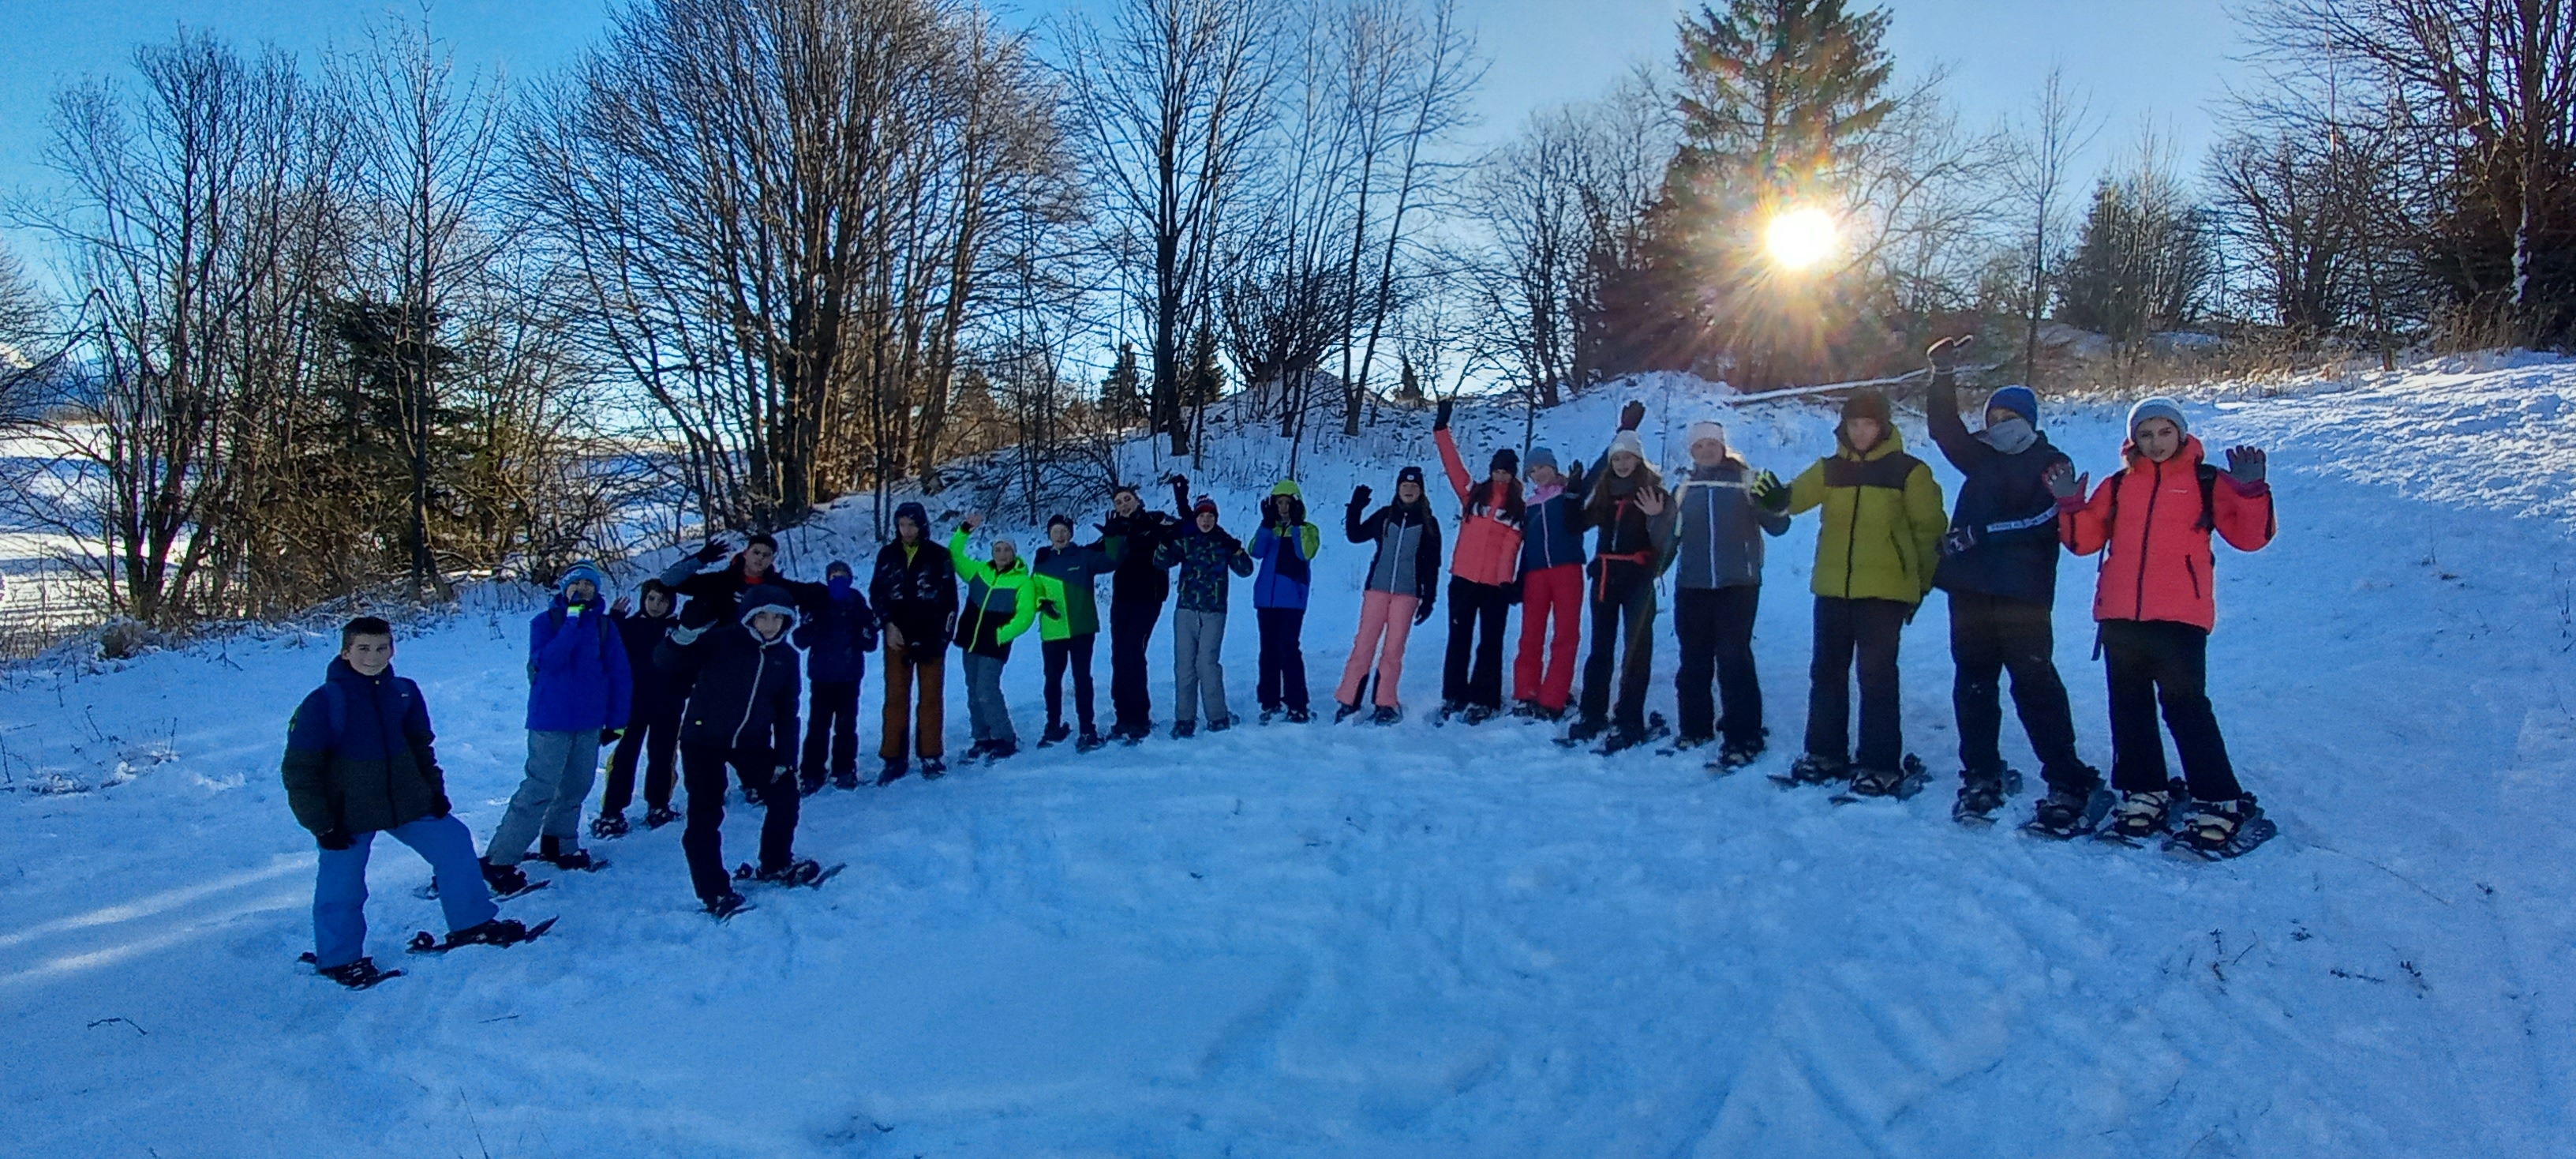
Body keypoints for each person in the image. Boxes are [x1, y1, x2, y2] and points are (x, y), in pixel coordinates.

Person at [2050, 398, 2277, 851]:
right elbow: (2083, 542)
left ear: (2181, 434)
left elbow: (2250, 539)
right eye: (2146, 434)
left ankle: (2219, 798)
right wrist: (2071, 506)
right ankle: (2144, 791)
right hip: (2121, 616)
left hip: (2179, 616)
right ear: (2134, 439)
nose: (2156, 443)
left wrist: (2252, 494)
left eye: (2165, 432)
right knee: (2128, 706)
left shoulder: (2206, 481)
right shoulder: (2119, 485)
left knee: (2185, 707)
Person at [285, 617, 532, 988]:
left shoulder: (404, 692)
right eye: (363, 649)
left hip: (407, 802)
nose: (373, 657)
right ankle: (339, 959)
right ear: (345, 652)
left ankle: (472, 924)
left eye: (382, 648)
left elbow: (421, 747)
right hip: (347, 815)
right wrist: (321, 823)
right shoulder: (323, 703)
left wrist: (434, 792)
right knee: (342, 885)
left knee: (454, 843)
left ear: (393, 649)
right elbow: (300, 769)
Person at [1919, 336, 2095, 823]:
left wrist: (1981, 533)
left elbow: (2045, 521)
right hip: (1971, 591)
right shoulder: (1981, 457)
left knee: (2034, 683)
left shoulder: (2052, 462)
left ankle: (2067, 777)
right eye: (1994, 417)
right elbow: (1943, 429)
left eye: (2010, 417)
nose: (2000, 425)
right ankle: (1981, 773)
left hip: (2023, 595)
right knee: (1974, 683)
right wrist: (1942, 375)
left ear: (2029, 420)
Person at [1765, 389, 1946, 794]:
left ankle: (1879, 765)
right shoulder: (1830, 469)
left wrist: (1919, 586)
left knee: (1876, 678)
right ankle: (1824, 754)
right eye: (1854, 424)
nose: (1861, 431)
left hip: (1884, 593)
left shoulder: (1909, 472)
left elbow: (1930, 532)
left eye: (1869, 424)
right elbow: (1794, 498)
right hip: (1832, 590)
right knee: (1826, 673)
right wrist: (1776, 498)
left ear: (1883, 427)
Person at [657, 586, 819, 917]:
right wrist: (683, 635)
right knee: (705, 813)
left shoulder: (786, 657)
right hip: (702, 740)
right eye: (763, 617)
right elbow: (667, 661)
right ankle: (714, 891)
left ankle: (775, 863)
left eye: (778, 618)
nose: (770, 624)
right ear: (749, 617)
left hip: (751, 742)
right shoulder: (722, 641)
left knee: (784, 793)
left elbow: (787, 710)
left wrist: (785, 758)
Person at [486, 561, 629, 876]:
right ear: (565, 588)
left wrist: (617, 721)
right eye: (577, 584)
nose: (583, 589)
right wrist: (572, 620)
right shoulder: (544, 623)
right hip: (551, 722)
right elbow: (550, 661)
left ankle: (560, 845)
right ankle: (501, 858)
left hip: (589, 722)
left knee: (576, 787)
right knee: (539, 789)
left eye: (589, 584)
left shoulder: (605, 627)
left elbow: (619, 675)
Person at [1664, 419, 1790, 769]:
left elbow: (1779, 526)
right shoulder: (1684, 488)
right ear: (1691, 451)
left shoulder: (1746, 481)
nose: (1706, 451)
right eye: (1699, 446)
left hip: (1738, 584)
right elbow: (1668, 539)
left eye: (1711, 444)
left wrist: (1776, 504)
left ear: (1723, 447)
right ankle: (1695, 728)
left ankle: (1744, 734)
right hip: (1692, 584)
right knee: (1693, 659)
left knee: (1734, 658)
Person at [1567, 403, 1675, 752]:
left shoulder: (1654, 493)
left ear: (1639, 460)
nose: (1622, 464)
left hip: (1637, 580)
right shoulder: (1606, 494)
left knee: (1636, 651)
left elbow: (1669, 541)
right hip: (1604, 578)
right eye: (1617, 459)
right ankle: (1592, 714)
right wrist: (1572, 493)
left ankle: (1629, 719)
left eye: (1628, 457)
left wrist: (1657, 517)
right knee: (1600, 649)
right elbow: (1574, 525)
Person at [1431, 398, 1526, 724]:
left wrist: (1509, 582)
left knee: (1490, 643)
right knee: (1459, 638)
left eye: (1506, 472)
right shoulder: (1473, 495)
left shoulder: (1519, 508)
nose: (1501, 476)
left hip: (1495, 587)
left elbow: (1512, 549)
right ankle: (1454, 695)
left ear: (1513, 475)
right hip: (1463, 579)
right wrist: (1441, 430)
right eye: (1497, 470)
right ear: (1491, 470)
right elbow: (1453, 465)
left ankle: (1485, 698)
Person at [1335, 466, 1443, 724]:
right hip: (1377, 590)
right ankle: (1349, 701)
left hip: (1407, 594)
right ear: (1398, 488)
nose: (1409, 490)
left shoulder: (1429, 523)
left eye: (1414, 486)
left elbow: (1432, 565)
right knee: (1364, 645)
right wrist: (1355, 508)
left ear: (1421, 491)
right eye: (1405, 486)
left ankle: (1385, 703)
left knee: (1393, 650)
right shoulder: (1385, 516)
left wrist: (1429, 599)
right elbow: (1355, 535)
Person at [1098, 479, 1192, 744]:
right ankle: (1123, 716)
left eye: (1127, 499)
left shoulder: (1156, 520)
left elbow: (1188, 528)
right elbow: (1095, 555)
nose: (1124, 505)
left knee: (1133, 652)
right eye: (1118, 502)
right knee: (1119, 655)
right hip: (1122, 598)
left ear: (1137, 501)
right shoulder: (1116, 527)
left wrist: (1182, 502)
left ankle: (1139, 718)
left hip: (1149, 597)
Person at [871, 502, 958, 783]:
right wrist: (887, 624)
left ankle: (931, 754)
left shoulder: (938, 555)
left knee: (931, 697)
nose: (907, 530)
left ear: (922, 525)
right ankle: (894, 757)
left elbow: (950, 600)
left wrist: (943, 636)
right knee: (896, 696)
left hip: (931, 635)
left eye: (911, 525)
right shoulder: (887, 555)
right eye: (902, 525)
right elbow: (877, 593)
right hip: (897, 635)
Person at [1155, 496, 1256, 736]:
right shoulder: (1187, 541)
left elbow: (1246, 570)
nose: (1206, 520)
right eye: (1202, 516)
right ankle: (1184, 719)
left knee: (1207, 664)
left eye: (1211, 516)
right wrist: (1165, 542)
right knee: (1184, 666)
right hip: (1186, 611)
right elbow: (1160, 562)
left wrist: (1238, 550)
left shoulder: (1224, 541)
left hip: (1214, 612)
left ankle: (1218, 717)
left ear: (1216, 518)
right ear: (1196, 518)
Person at [596, 580, 690, 837]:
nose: (656, 605)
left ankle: (659, 805)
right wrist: (615, 619)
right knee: (624, 757)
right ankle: (612, 811)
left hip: (667, 707)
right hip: (632, 707)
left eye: (663, 600)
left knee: (663, 757)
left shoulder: (678, 631)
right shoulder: (630, 626)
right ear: (643, 600)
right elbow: (607, 648)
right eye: (651, 599)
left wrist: (682, 689)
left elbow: (690, 664)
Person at [951, 514, 1041, 760]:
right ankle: (982, 737)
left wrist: (1001, 635)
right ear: (992, 552)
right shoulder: (979, 572)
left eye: (1007, 550)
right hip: (970, 641)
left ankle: (1004, 737)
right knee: (973, 691)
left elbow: (1025, 616)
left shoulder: (1023, 583)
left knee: (987, 690)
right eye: (998, 549)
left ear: (1014, 553)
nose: (1002, 554)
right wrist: (964, 530)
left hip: (994, 645)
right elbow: (955, 556)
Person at [1511, 448, 1589, 721]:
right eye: (1532, 471)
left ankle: (1554, 697)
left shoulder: (1569, 495)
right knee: (1530, 634)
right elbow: (1523, 545)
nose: (1538, 474)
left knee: (1565, 634)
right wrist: (1519, 577)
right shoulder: (1529, 505)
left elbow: (1599, 475)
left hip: (1567, 569)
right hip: (1536, 575)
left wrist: (1624, 432)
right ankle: (1526, 691)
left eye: (1542, 467)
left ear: (1554, 467)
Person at [1031, 514, 1118, 750]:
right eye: (1055, 531)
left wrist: (1112, 537)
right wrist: (1041, 602)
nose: (1060, 535)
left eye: (1064, 531)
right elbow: (1032, 590)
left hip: (1082, 628)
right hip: (1053, 630)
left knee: (1082, 679)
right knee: (1052, 679)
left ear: (1071, 534)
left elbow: (1112, 561)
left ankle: (1088, 729)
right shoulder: (1042, 560)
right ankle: (1053, 726)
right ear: (1049, 535)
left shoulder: (1084, 556)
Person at [793, 561, 879, 792]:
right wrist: (809, 626)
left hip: (849, 676)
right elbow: (800, 640)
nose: (838, 580)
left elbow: (870, 642)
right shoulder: (817, 602)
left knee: (846, 726)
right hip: (822, 676)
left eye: (842, 575)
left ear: (850, 578)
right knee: (817, 726)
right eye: (833, 576)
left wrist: (868, 631)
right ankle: (812, 772)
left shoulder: (857, 602)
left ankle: (844, 769)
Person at [1249, 480, 1322, 724]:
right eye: (1278, 503)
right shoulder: (1269, 529)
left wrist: (1298, 526)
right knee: (1268, 651)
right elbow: (1256, 551)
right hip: (1266, 601)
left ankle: (1297, 704)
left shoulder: (1308, 529)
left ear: (1296, 505)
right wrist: (1266, 526)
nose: (1283, 508)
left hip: (1292, 601)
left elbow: (1305, 553)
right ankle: (1270, 702)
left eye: (1287, 503)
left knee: (1288, 650)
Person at [658, 533, 824, 628]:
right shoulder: (719, 582)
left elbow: (819, 593)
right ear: (746, 554)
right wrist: (699, 559)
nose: (760, 558)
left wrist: (808, 611)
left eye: (766, 555)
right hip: (715, 654)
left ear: (772, 560)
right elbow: (668, 581)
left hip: (756, 659)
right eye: (756, 552)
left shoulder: (778, 589)